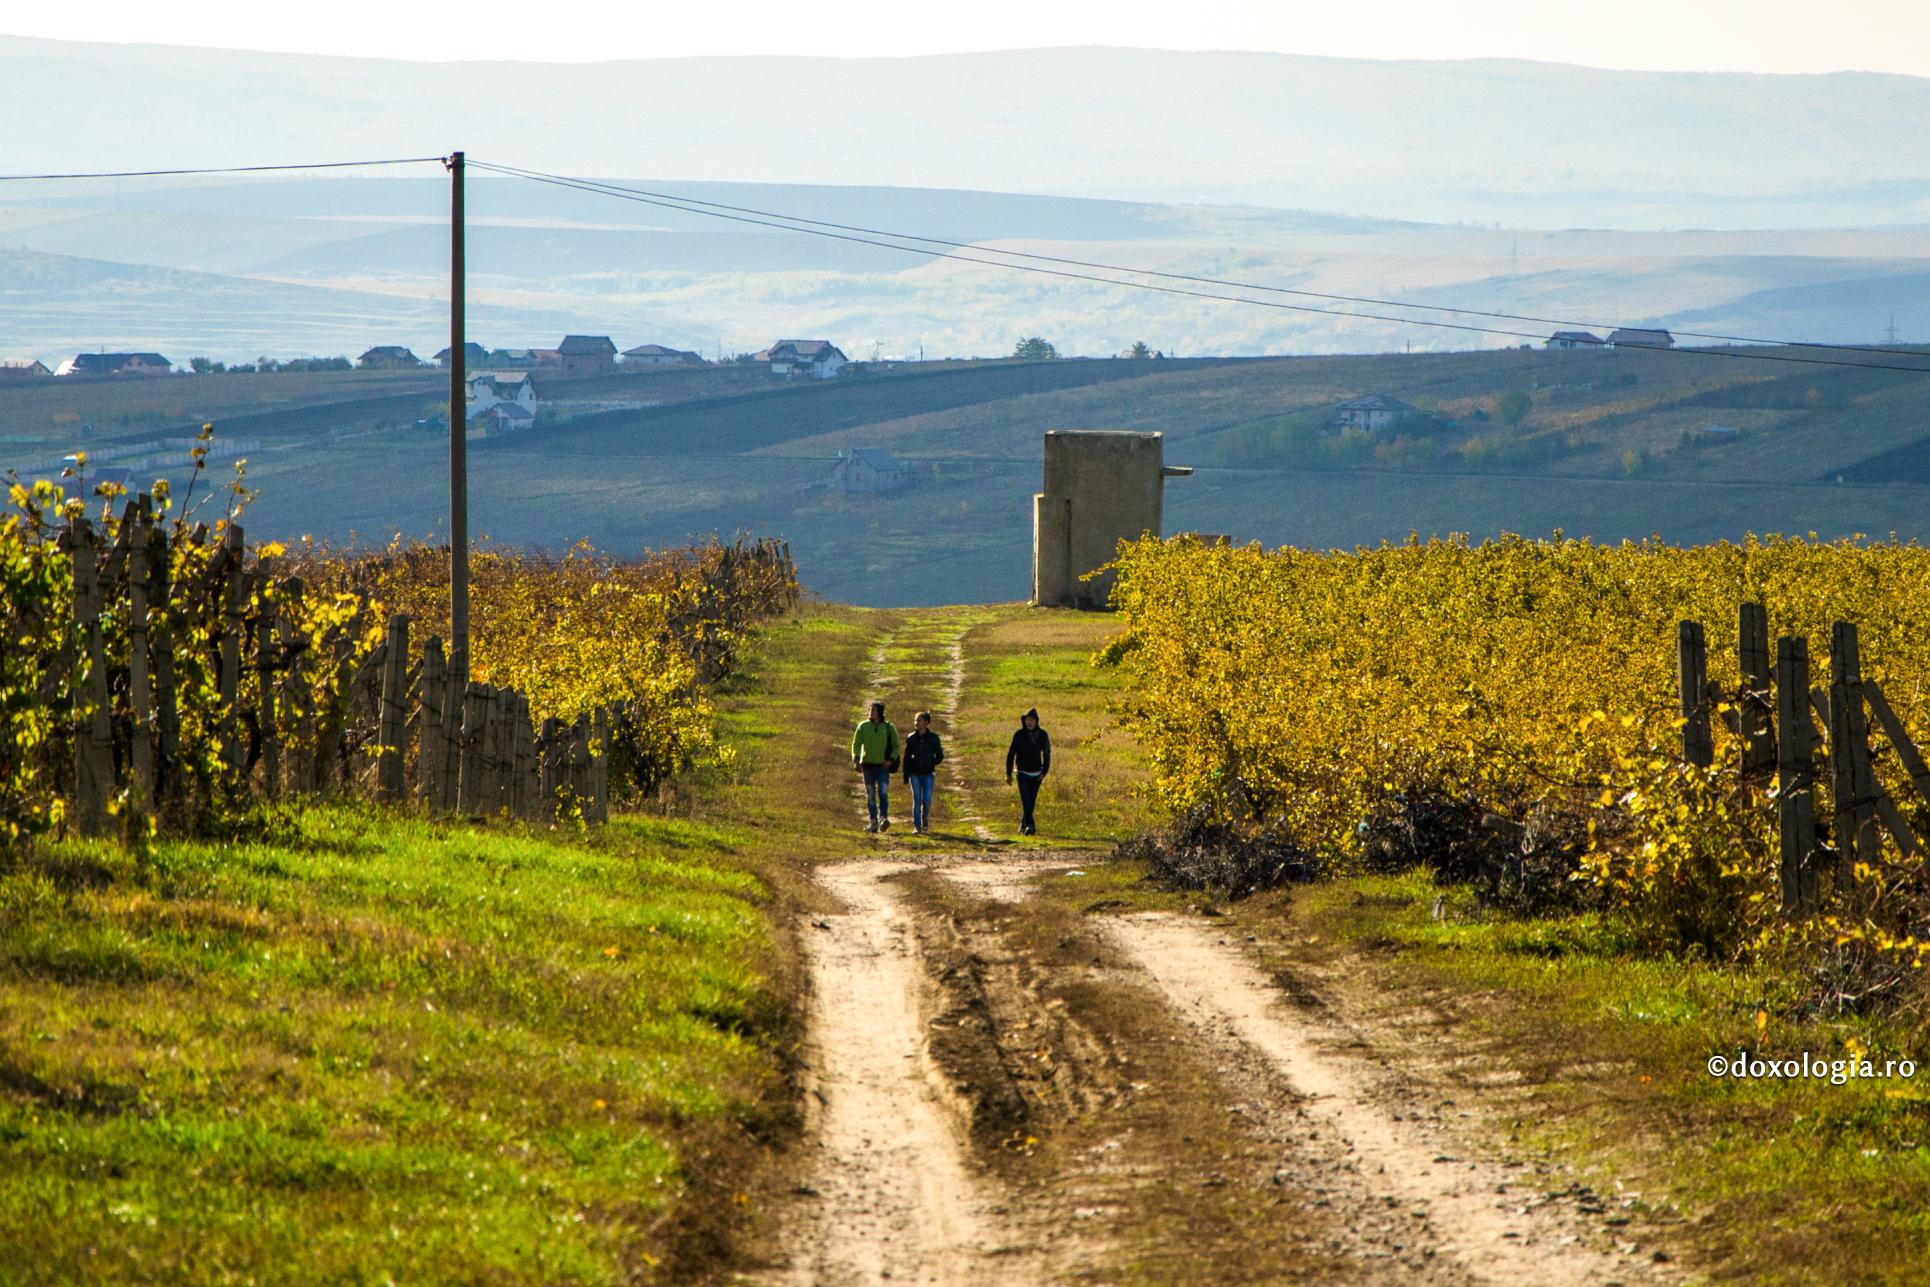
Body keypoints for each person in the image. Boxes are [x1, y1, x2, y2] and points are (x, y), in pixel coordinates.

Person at [851, 700, 900, 832]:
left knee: (883, 793)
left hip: (883, 766)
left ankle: (883, 818)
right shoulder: (863, 726)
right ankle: (873, 822)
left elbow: (896, 746)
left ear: (880, 712)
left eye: (874, 710)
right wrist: (855, 759)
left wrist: (891, 759)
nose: (871, 712)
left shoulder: (889, 727)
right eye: (870, 710)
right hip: (867, 766)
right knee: (870, 795)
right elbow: (856, 744)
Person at [1004, 707, 1051, 836]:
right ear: (1023, 721)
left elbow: (1047, 754)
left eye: (1032, 720)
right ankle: (1030, 827)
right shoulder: (1019, 735)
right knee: (1026, 800)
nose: (1029, 722)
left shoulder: (1043, 735)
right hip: (1022, 773)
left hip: (1037, 774)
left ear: (1036, 721)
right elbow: (1011, 754)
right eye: (1027, 720)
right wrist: (1008, 773)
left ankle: (1024, 823)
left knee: (1031, 801)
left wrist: (1045, 771)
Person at [901, 711, 944, 834]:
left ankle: (924, 820)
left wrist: (931, 763)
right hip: (914, 774)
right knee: (917, 799)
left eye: (919, 720)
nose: (916, 723)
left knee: (927, 800)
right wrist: (906, 774)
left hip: (928, 774)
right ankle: (917, 827)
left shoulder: (933, 738)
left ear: (926, 723)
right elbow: (907, 758)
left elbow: (940, 755)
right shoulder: (911, 738)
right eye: (915, 720)